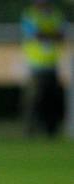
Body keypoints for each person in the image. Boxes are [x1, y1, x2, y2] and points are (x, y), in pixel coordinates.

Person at [21, 0, 66, 138]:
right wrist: (51, 34)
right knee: (35, 99)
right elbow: (35, 35)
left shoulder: (56, 14)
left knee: (52, 99)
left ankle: (51, 131)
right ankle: (30, 130)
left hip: (52, 64)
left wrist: (45, 34)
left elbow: (61, 35)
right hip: (36, 64)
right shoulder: (29, 14)